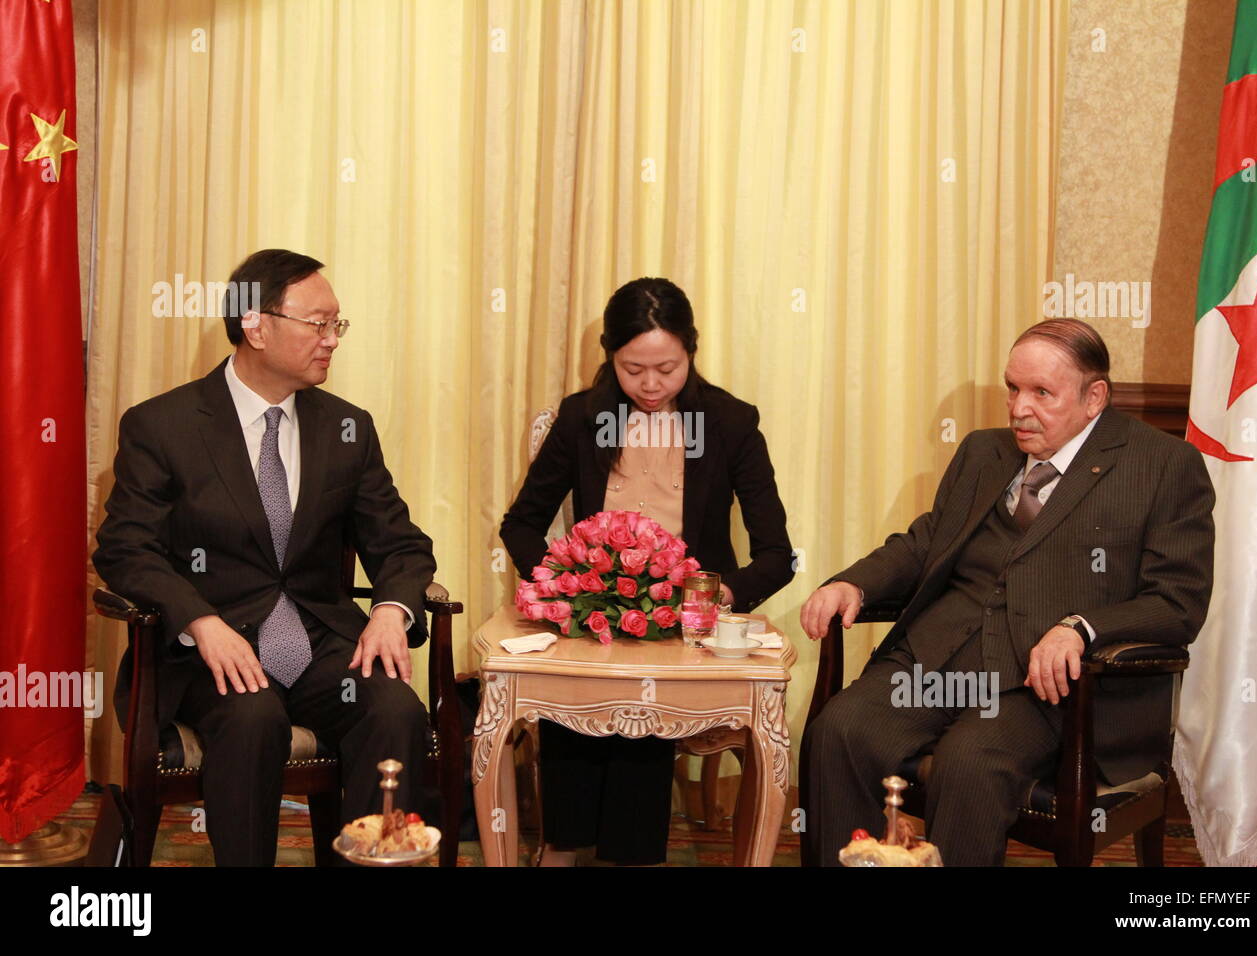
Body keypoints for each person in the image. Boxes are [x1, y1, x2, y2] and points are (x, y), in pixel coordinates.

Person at [800, 318, 1214, 866]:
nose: (1019, 408)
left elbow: (1176, 602)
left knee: (968, 765)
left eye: (1041, 393)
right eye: (1013, 388)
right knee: (839, 733)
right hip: (937, 659)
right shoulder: (982, 453)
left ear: (1095, 398)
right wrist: (851, 582)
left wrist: (1082, 628)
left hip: (1043, 688)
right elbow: (925, 542)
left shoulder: (1161, 466)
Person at [93, 249, 437, 866]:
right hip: (207, 652)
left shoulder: (345, 428)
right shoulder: (163, 425)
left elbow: (401, 542)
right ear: (255, 324)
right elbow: (125, 548)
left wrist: (390, 610)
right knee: (253, 719)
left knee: (393, 709)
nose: (332, 340)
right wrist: (199, 622)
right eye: (318, 324)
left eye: (339, 325)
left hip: (316, 644)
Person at [500, 277, 794, 865]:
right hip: (594, 616)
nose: (652, 385)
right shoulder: (583, 417)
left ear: (691, 351)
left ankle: (632, 856)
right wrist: (565, 585)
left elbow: (777, 554)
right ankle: (564, 846)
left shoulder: (730, 422)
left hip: (683, 626)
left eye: (668, 367)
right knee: (575, 681)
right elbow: (521, 524)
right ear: (611, 355)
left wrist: (716, 595)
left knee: (646, 692)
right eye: (635, 369)